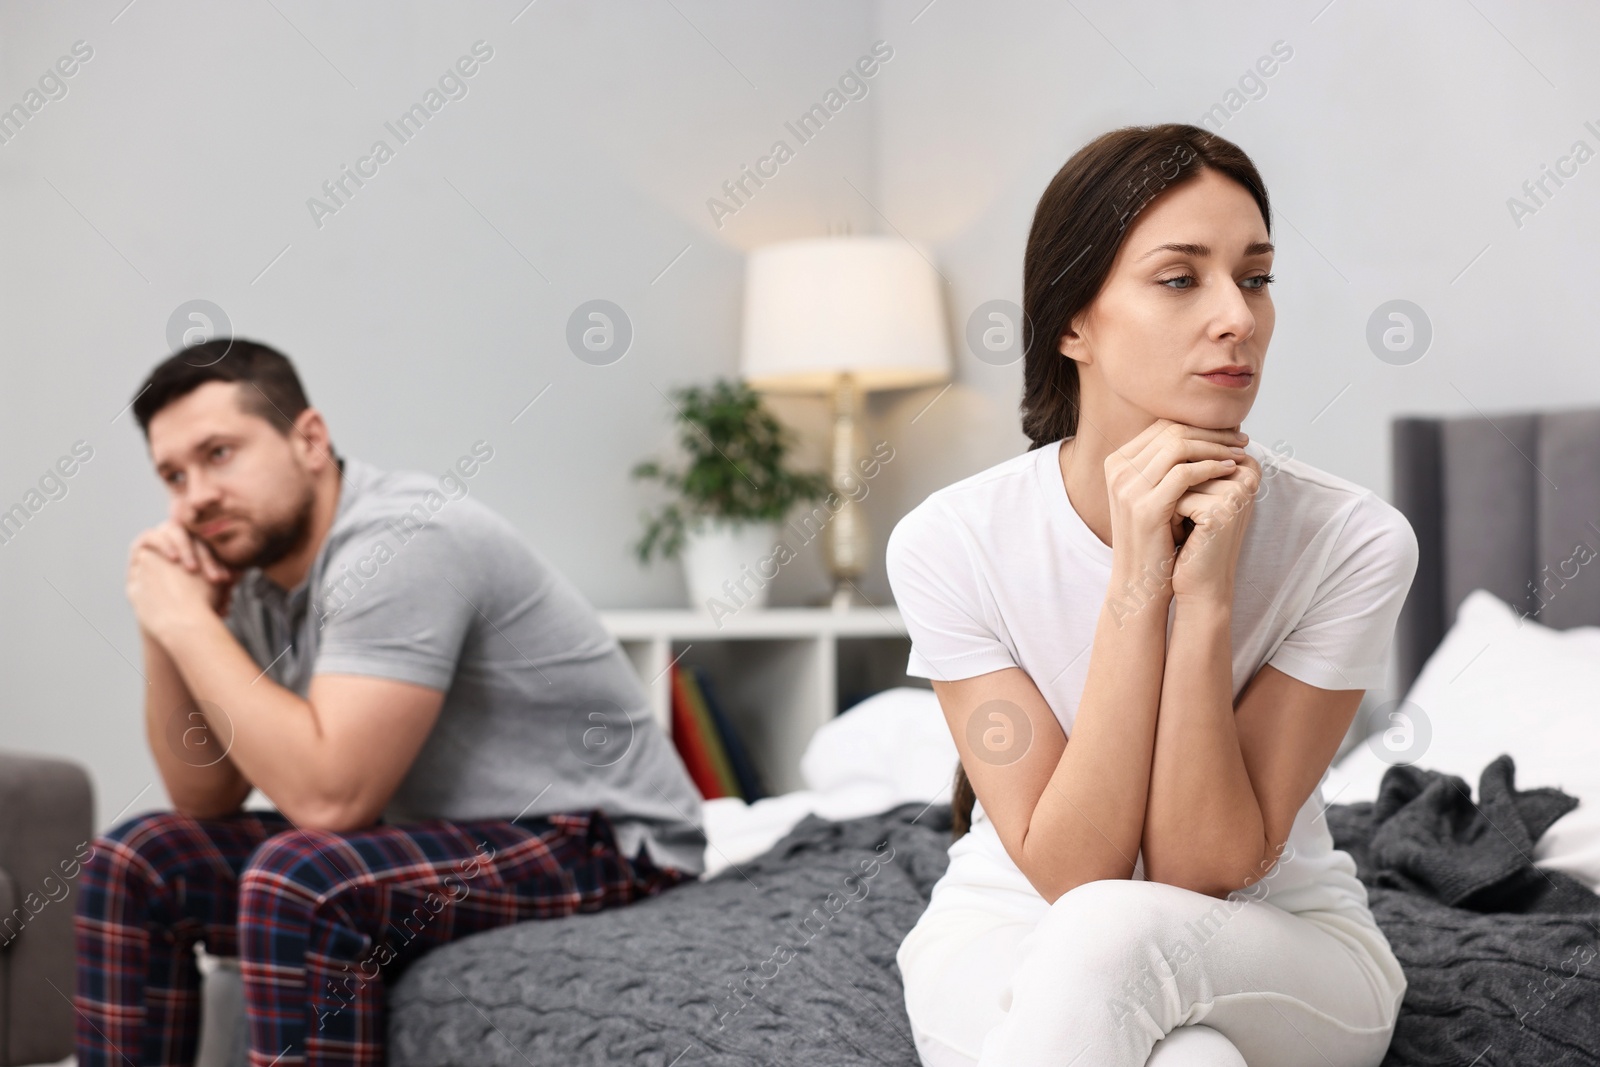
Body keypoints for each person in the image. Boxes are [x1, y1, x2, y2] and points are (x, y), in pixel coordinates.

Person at [885, 123, 1416, 1067]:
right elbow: (1072, 871)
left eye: (1254, 277)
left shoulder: (1353, 541)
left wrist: (1204, 599)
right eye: (1182, 279)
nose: (1238, 319)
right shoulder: (950, 542)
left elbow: (1202, 870)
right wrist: (1138, 579)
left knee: (1112, 934)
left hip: (1280, 934)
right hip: (1011, 921)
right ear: (1072, 322)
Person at [75, 340, 708, 1067]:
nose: (195, 498)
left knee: (301, 877)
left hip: (603, 839)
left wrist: (186, 621)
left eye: (219, 453)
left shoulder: (403, 540)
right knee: (138, 859)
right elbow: (203, 793)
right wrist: (165, 622)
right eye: (173, 476)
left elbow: (329, 797)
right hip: (438, 831)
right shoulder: (248, 574)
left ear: (309, 439)